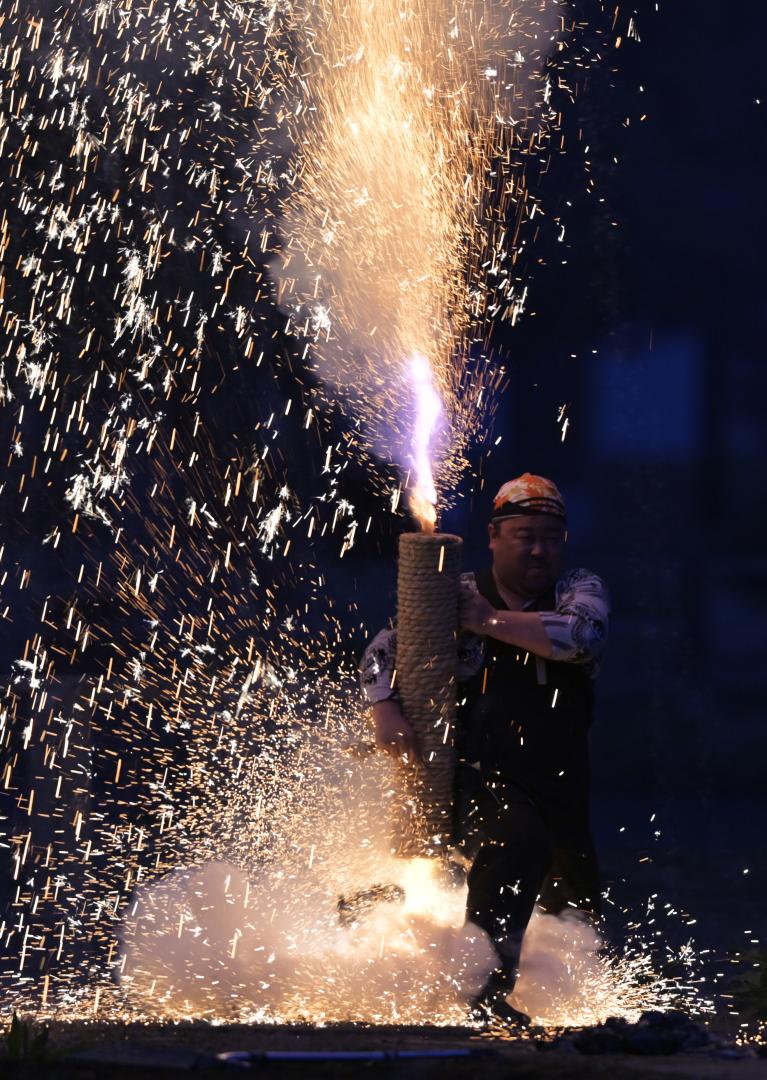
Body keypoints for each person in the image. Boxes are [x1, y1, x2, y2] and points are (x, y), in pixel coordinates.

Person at [359, 473, 610, 1023]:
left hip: (562, 779)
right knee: (520, 845)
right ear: (494, 537)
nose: (538, 548)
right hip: (482, 773)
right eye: (524, 534)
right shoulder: (456, 591)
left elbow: (582, 637)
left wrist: (489, 622)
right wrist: (385, 708)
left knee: (574, 909)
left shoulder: (578, 590)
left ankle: (547, 1006)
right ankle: (480, 993)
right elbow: (382, 649)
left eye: (549, 535)